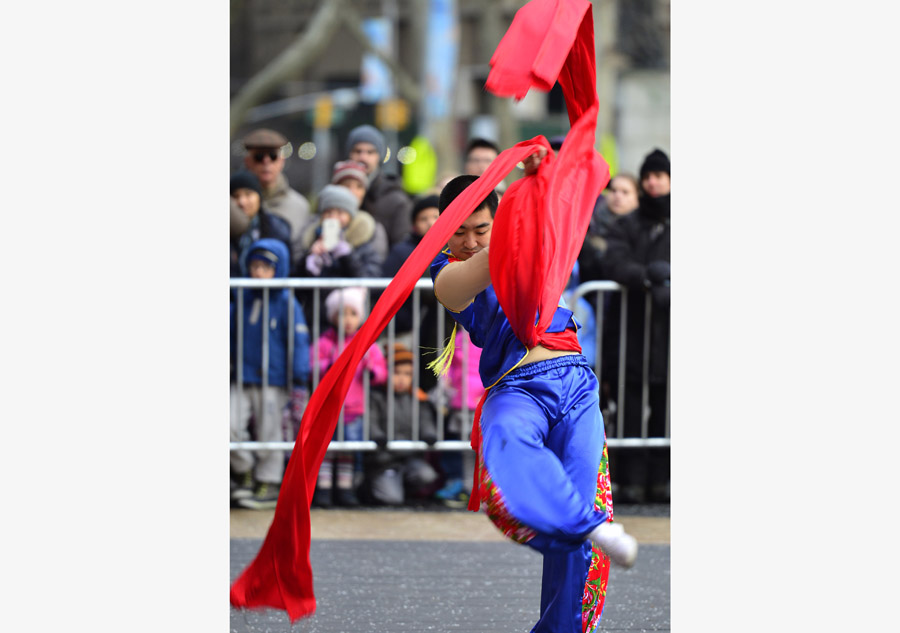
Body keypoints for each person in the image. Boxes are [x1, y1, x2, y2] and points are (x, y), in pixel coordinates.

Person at [430, 170, 637, 633]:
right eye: (457, 231)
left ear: (497, 221)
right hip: (517, 387)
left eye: (480, 228)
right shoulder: (445, 271)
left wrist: (537, 183)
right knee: (509, 453)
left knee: (585, 524)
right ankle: (580, 522)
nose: (468, 240)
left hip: (576, 381)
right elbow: (463, 281)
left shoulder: (532, 243)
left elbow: (571, 204)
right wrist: (508, 233)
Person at [602, 148, 671, 504]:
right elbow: (614, 262)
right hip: (631, 334)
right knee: (628, 407)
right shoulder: (626, 225)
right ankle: (628, 479)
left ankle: (661, 480)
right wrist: (647, 278)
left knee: (664, 409)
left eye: (660, 175)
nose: (654, 182)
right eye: (649, 176)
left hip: (667, 336)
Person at [231, 238, 311, 510]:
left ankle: (269, 481)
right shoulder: (241, 298)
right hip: (241, 376)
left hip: (274, 379)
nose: (258, 273)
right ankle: (244, 470)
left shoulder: (287, 302)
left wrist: (299, 375)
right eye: (254, 266)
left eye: (266, 267)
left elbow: (299, 341)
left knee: (270, 430)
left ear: (279, 270)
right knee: (230, 423)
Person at [312, 286, 388, 507]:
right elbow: (311, 366)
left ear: (360, 317)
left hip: (354, 409)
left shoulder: (366, 345)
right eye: (342, 313)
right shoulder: (325, 342)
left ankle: (345, 489)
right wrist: (328, 364)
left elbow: (381, 374)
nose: (347, 319)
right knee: (327, 449)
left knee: (348, 450)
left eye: (353, 314)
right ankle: (324, 489)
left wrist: (371, 369)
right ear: (333, 317)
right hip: (328, 407)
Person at [297, 183, 388, 330]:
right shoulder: (311, 242)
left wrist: (346, 256)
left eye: (340, 213)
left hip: (350, 326)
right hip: (317, 323)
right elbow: (298, 288)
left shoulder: (363, 246)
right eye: (328, 212)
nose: (334, 218)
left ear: (350, 216)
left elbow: (370, 283)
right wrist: (308, 261)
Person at [363, 343, 439, 505]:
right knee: (391, 499)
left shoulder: (416, 398)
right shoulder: (376, 397)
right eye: (396, 373)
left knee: (427, 475)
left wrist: (429, 434)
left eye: (407, 374)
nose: (402, 378)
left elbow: (425, 420)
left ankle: (401, 488)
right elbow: (371, 420)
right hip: (384, 459)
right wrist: (377, 436)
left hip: (409, 457)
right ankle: (371, 487)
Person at [242, 128, 313, 270]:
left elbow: (300, 254)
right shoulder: (235, 202)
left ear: (282, 161)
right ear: (248, 161)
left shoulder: (298, 205)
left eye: (273, 156)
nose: (266, 162)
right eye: (259, 157)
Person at [432, 328, 483, 508]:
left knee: (479, 449)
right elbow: (448, 364)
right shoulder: (458, 337)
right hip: (460, 402)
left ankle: (479, 489)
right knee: (463, 448)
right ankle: (467, 488)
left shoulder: (488, 334)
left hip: (482, 402)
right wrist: (446, 384)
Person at [345, 124, 413, 248]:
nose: (363, 157)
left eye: (370, 152)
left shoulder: (396, 200)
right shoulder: (335, 193)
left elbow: (401, 249)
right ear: (349, 153)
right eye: (357, 151)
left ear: (379, 156)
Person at [230, 170, 293, 277]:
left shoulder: (276, 228)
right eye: (236, 196)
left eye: (248, 194)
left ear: (259, 197)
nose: (242, 202)